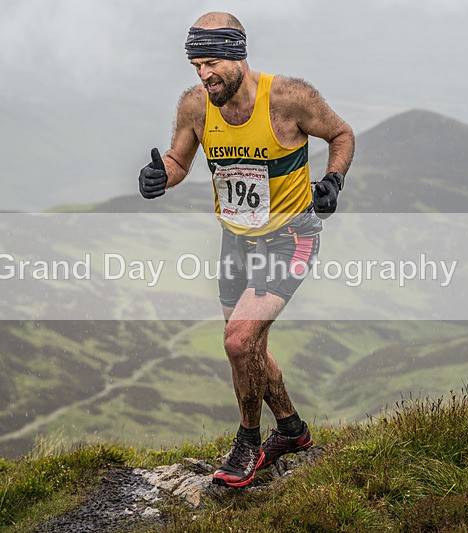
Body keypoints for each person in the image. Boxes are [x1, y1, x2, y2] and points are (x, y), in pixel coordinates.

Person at [138, 11, 355, 488]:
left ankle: (249, 442)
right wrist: (161, 177)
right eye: (196, 64)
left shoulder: (288, 99)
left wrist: (333, 180)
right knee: (250, 347)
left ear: (238, 55)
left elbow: (341, 134)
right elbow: (178, 158)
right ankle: (293, 431)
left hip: (291, 236)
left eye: (211, 62)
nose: (203, 74)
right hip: (235, 239)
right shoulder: (197, 105)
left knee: (239, 340)